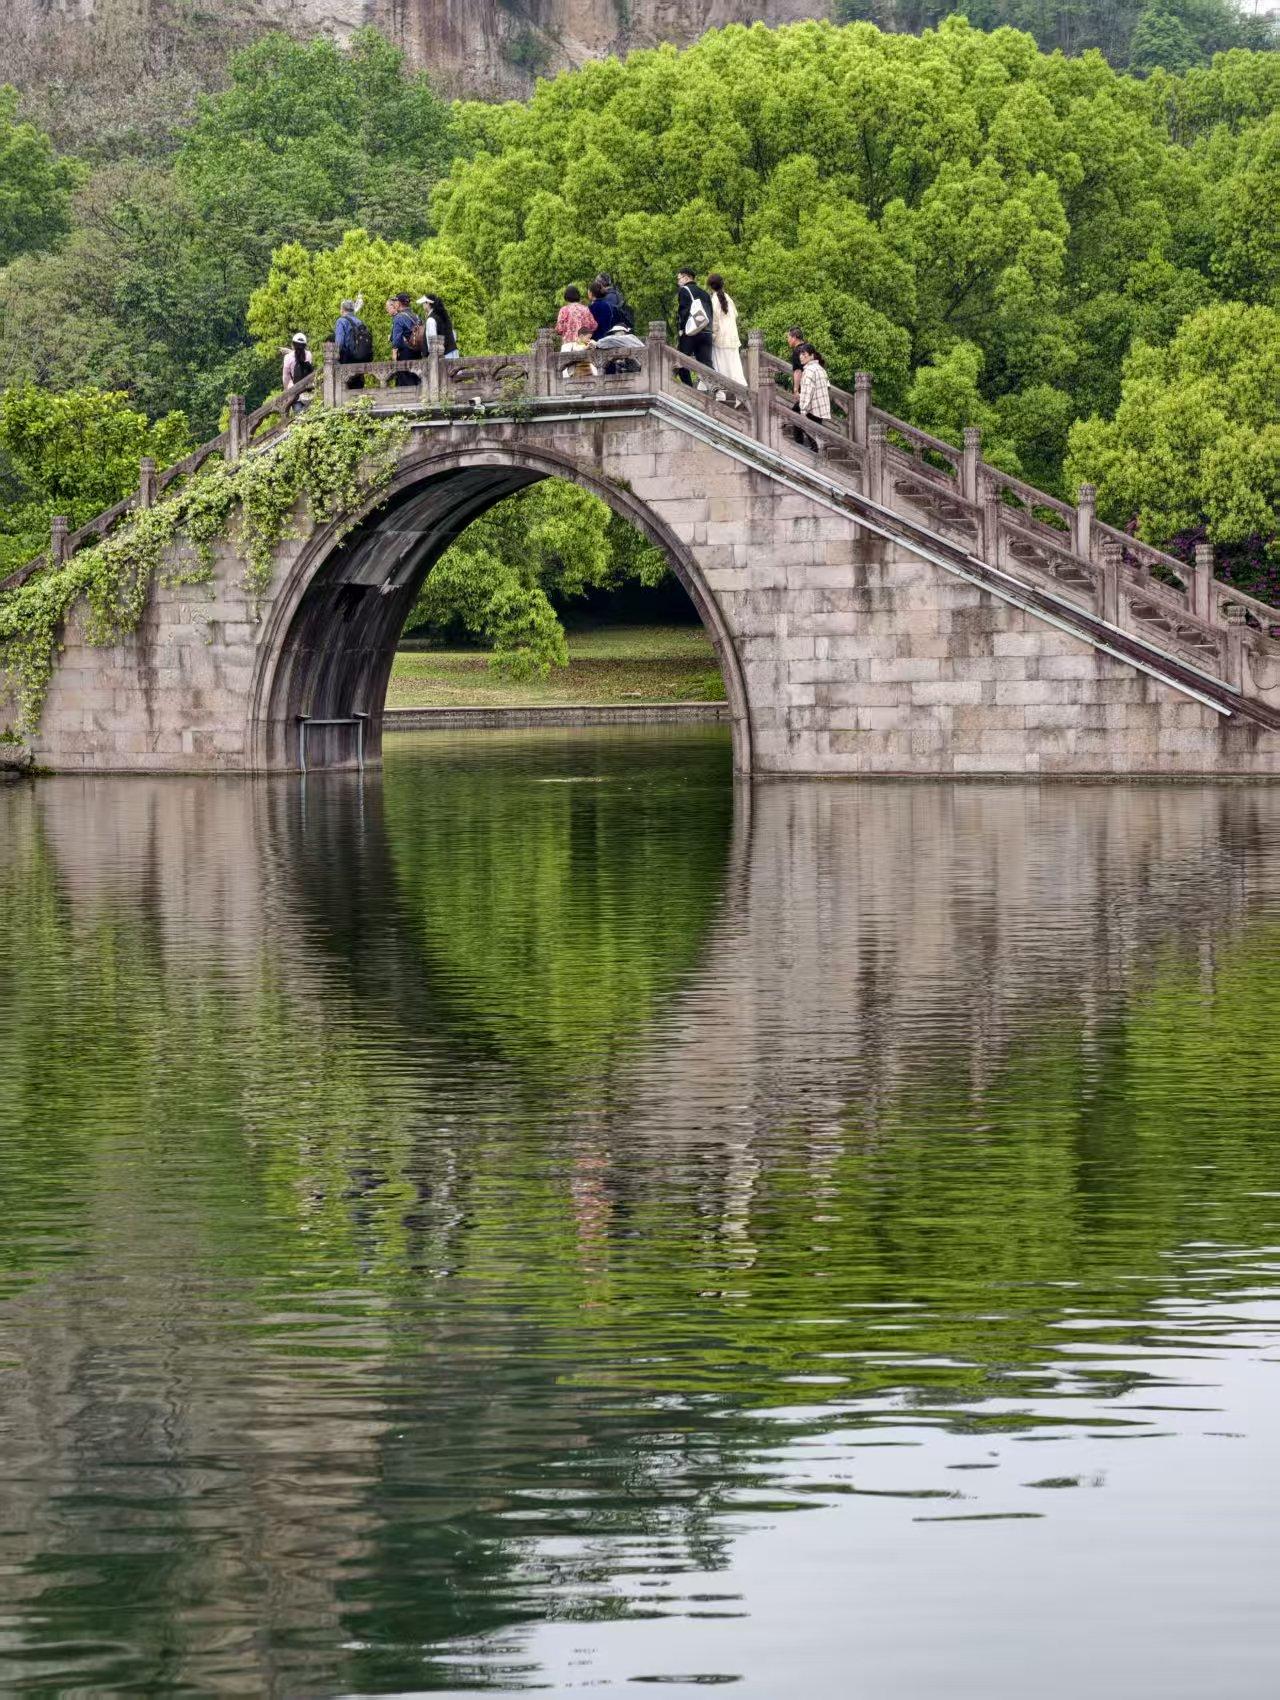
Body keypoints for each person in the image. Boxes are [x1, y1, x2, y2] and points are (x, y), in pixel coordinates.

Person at [706, 272, 745, 391]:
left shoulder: (714, 300)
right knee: (734, 365)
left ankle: (724, 389)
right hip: (732, 336)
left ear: (710, 286)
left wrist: (712, 335)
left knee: (721, 364)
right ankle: (741, 388)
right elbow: (735, 315)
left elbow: (714, 321)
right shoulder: (727, 298)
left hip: (720, 337)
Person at [675, 268, 713, 387]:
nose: (678, 281)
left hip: (691, 332)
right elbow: (710, 313)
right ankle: (717, 390)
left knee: (681, 362)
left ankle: (689, 389)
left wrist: (681, 330)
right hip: (706, 332)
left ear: (686, 277)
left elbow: (684, 312)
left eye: (679, 278)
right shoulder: (704, 293)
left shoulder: (684, 290)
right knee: (706, 364)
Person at [796, 342, 832, 448]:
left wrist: (803, 410)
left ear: (811, 355)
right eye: (800, 354)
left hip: (812, 408)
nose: (801, 357)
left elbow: (807, 392)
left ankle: (799, 446)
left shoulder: (809, 371)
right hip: (820, 408)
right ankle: (815, 449)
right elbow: (827, 386)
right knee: (816, 436)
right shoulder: (821, 369)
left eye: (804, 354)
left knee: (812, 437)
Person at [334, 298, 371, 391]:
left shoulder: (341, 321)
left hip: (347, 358)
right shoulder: (359, 321)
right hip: (360, 357)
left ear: (342, 309)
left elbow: (339, 342)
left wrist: (335, 356)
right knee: (357, 388)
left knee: (345, 388)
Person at [387, 292, 423, 386]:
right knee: (416, 380)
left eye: (395, 302)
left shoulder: (399, 317)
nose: (394, 304)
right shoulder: (416, 316)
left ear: (399, 303)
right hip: (417, 352)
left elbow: (397, 342)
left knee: (404, 383)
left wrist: (394, 353)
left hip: (405, 354)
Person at [417, 293, 460, 360]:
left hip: (443, 356)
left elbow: (432, 341)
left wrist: (432, 357)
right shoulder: (443, 316)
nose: (423, 305)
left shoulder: (431, 319)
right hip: (453, 351)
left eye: (423, 303)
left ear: (428, 303)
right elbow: (453, 334)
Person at [555, 285, 597, 351]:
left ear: (566, 297)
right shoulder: (585, 309)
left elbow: (559, 329)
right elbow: (594, 326)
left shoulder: (564, 310)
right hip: (583, 345)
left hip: (569, 346)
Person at [784, 326, 807, 440]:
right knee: (806, 415)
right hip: (814, 386)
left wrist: (796, 389)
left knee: (795, 414)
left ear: (794, 337)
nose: (788, 340)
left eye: (789, 337)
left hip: (805, 388)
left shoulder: (797, 351)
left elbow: (798, 371)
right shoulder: (809, 348)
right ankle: (805, 442)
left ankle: (800, 442)